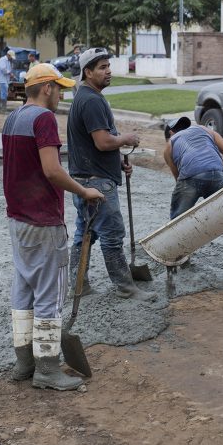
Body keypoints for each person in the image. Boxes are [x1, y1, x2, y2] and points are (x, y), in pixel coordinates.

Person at [2, 63, 105, 391]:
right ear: (46, 88)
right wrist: (84, 190)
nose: (61, 94)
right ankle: (47, 369)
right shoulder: (44, 120)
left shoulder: (12, 118)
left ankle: (24, 363)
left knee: (24, 289)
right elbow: (51, 170)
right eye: (59, 88)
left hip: (17, 220)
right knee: (49, 294)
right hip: (43, 221)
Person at [66, 47, 155, 301]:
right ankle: (126, 288)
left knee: (85, 233)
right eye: (102, 67)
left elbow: (91, 146)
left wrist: (117, 164)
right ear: (88, 72)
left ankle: (78, 284)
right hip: (97, 183)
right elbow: (103, 142)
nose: (108, 71)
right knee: (112, 235)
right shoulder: (92, 100)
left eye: (108, 66)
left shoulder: (84, 96)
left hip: (85, 179)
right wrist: (124, 138)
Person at [163, 116, 223, 287]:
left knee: (177, 222)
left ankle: (179, 265)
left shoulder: (170, 144)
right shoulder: (205, 130)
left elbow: (179, 179)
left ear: (171, 132)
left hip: (189, 178)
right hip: (218, 175)